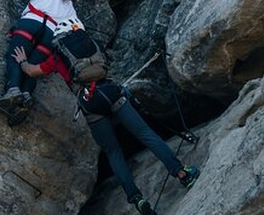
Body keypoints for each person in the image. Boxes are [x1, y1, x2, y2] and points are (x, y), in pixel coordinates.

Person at [12, 27, 200, 215]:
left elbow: (32, 71)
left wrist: (22, 61)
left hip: (89, 102)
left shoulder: (57, 57)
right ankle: (182, 174)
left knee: (113, 152)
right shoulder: (92, 44)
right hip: (111, 91)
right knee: (146, 134)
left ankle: (137, 199)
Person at [0, 0, 79, 125]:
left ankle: (13, 90)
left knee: (15, 55)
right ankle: (25, 96)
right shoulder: (69, 4)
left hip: (31, 23)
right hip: (51, 34)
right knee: (33, 67)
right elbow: (75, 28)